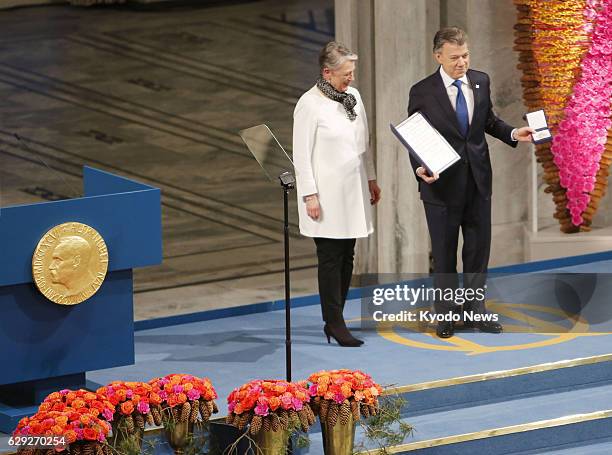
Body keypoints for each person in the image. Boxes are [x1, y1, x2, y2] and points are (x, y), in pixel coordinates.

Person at [407, 27, 534, 338]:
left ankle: (476, 310)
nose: (461, 62)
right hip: (441, 187)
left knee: (477, 252)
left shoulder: (481, 80)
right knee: (445, 254)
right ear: (438, 57)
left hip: (478, 182)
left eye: (465, 55)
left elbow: (488, 120)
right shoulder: (422, 91)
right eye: (454, 58)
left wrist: (513, 134)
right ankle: (447, 315)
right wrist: (420, 168)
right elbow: (415, 137)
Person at [292, 41, 381, 347]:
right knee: (330, 258)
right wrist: (309, 195)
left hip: (352, 190)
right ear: (327, 72)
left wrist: (370, 178)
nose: (351, 79)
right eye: (346, 73)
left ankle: (338, 315)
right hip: (326, 195)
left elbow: (363, 142)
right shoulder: (309, 104)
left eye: (352, 72)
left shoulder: (352, 96)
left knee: (347, 256)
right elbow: (301, 155)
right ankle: (334, 322)